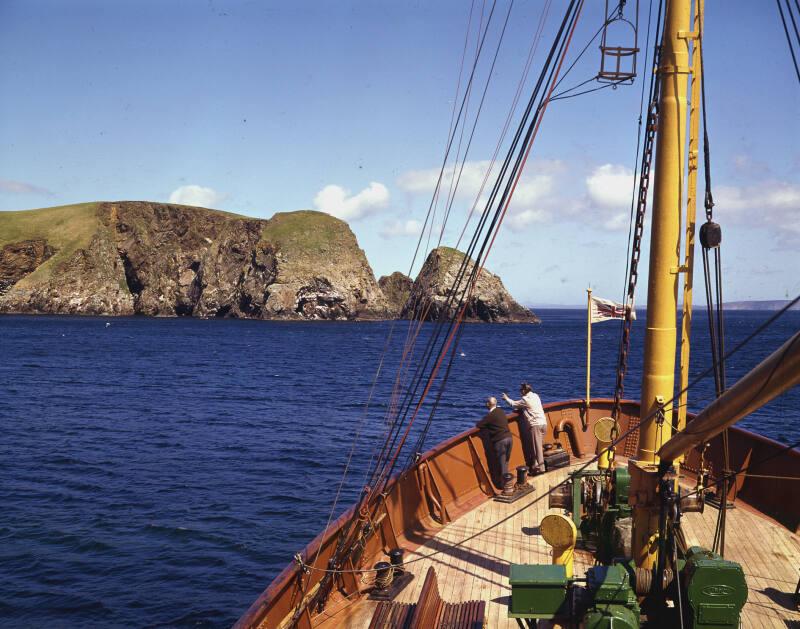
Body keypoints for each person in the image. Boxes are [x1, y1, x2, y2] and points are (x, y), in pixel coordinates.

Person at [503, 383, 547, 474]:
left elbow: (513, 404)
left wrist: (506, 398)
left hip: (536, 425)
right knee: (537, 446)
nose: (520, 391)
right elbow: (529, 407)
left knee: (537, 448)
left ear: (524, 391)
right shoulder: (536, 396)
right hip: (543, 423)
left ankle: (541, 469)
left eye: (521, 390)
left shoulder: (525, 399)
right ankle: (535, 467)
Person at [475, 396, 513, 483]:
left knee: (502, 464)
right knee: (506, 462)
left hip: (500, 441)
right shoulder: (501, 411)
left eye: (487, 402)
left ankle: (505, 485)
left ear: (489, 404)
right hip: (509, 438)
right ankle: (507, 482)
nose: (486, 404)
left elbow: (479, 425)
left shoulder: (490, 415)